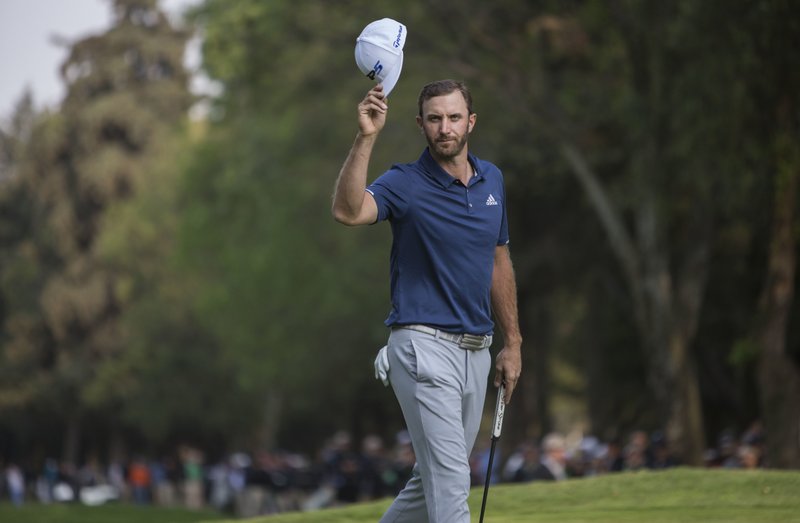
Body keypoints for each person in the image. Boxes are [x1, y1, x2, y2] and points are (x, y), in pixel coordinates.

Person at [332, 79, 523, 523]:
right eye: (434, 119)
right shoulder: (405, 182)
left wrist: (512, 342)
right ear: (420, 125)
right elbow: (348, 211)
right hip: (423, 348)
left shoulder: (491, 179)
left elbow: (498, 259)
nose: (445, 127)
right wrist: (366, 137)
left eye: (454, 117)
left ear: (470, 122)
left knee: (430, 481)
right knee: (453, 479)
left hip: (477, 351)